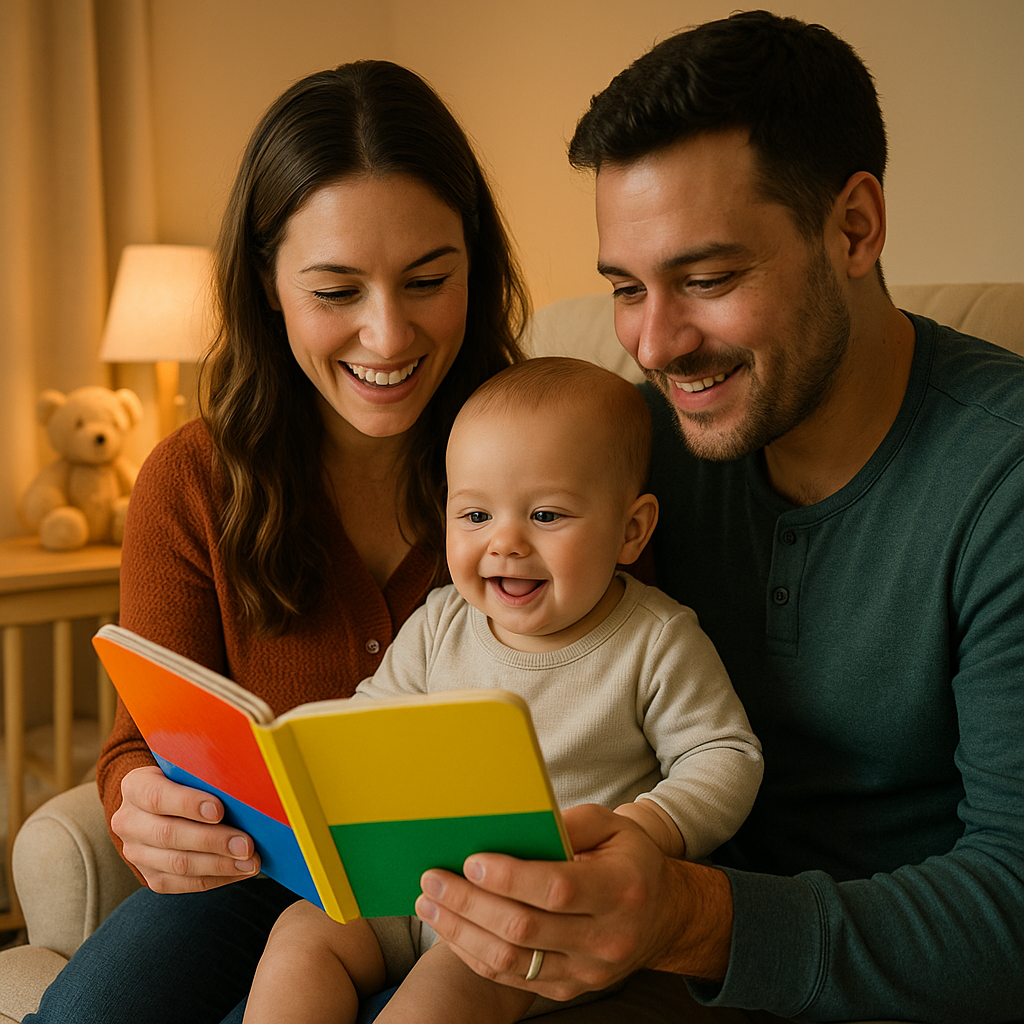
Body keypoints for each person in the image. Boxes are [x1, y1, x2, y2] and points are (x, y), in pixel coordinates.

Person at [412, 11, 1024, 1024]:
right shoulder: (632, 449)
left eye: (706, 278)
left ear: (855, 227)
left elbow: (1011, 904)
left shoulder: (999, 478)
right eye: (623, 288)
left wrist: (690, 918)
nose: (654, 343)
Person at [26, 59, 529, 1024]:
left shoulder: (553, 450)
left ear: (477, 261)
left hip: (477, 904)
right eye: (336, 290)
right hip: (255, 885)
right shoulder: (191, 482)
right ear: (267, 283)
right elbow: (142, 747)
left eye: (429, 280)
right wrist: (140, 802)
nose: (388, 337)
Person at [242, 356, 763, 1024]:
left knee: (438, 997)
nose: (505, 543)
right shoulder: (439, 625)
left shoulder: (654, 640)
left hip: (537, 914)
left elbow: (724, 754)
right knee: (303, 936)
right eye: (476, 514)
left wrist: (645, 828)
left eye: (545, 515)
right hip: (411, 881)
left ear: (631, 530)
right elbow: (371, 719)